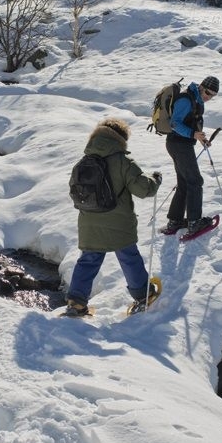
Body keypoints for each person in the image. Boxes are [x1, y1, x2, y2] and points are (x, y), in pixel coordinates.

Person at [65, 117, 162, 316]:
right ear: (121, 139)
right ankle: (143, 296)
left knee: (88, 260)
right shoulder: (123, 161)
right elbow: (143, 190)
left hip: (89, 221)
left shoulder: (83, 162)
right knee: (129, 257)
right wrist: (155, 180)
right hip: (118, 222)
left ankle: (76, 302)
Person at [161, 75, 219, 236]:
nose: (208, 97)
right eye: (207, 92)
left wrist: (201, 139)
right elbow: (174, 123)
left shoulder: (197, 100)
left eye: (213, 95)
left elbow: (193, 124)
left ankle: (175, 221)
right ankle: (194, 222)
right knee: (195, 181)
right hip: (178, 144)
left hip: (181, 144)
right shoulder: (186, 99)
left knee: (185, 182)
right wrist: (193, 134)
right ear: (201, 86)